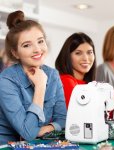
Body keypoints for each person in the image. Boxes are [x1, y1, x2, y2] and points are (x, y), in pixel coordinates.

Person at [0, 10, 67, 144]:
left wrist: (47, 128)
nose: (37, 49)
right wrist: (40, 87)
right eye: (27, 45)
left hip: (39, 144)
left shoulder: (53, 75)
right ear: (15, 53)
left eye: (40, 41)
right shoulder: (6, 81)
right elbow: (28, 133)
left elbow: (63, 119)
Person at [55, 32, 96, 108]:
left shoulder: (88, 84)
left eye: (89, 52)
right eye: (78, 53)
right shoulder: (66, 81)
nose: (86, 58)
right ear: (68, 56)